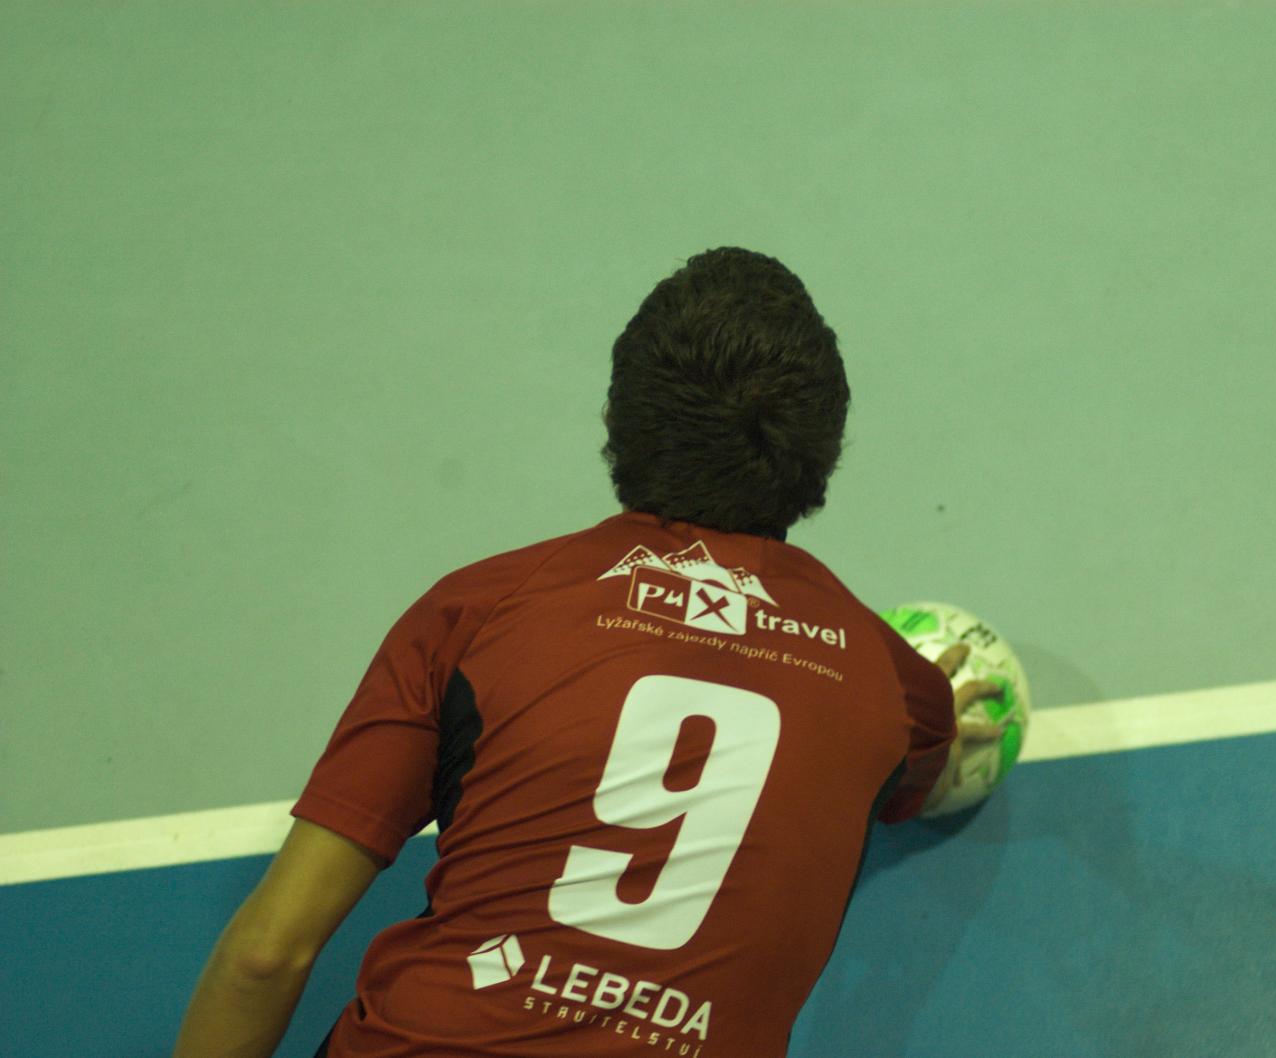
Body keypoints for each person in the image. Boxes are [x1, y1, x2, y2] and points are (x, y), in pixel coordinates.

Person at [173, 247, 1003, 1058]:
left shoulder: (475, 610)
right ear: (825, 452)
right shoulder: (893, 687)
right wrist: (937, 719)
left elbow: (265, 957)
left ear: (616, 422)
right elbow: (920, 768)